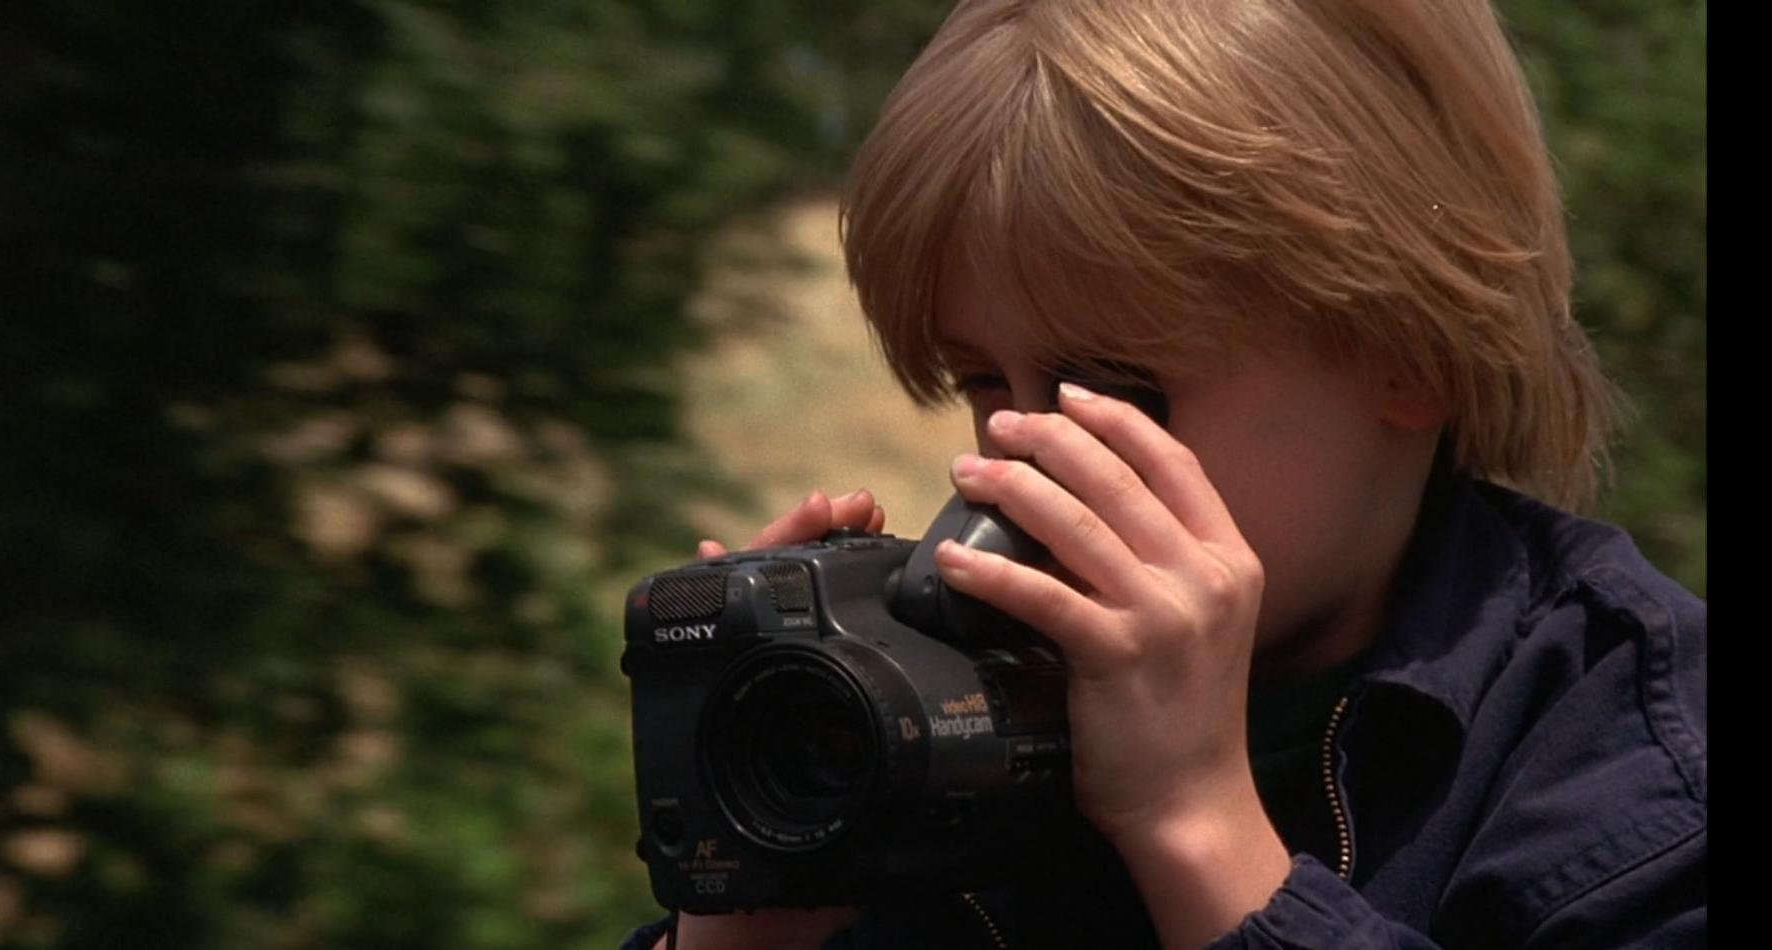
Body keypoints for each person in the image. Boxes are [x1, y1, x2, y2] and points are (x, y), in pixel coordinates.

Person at [623, 0, 1706, 946]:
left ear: (1408, 351)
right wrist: (749, 894)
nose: (1020, 475)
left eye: (1116, 392)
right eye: (986, 384)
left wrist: (1197, 828)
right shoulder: (962, 724)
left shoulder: (1632, 763)